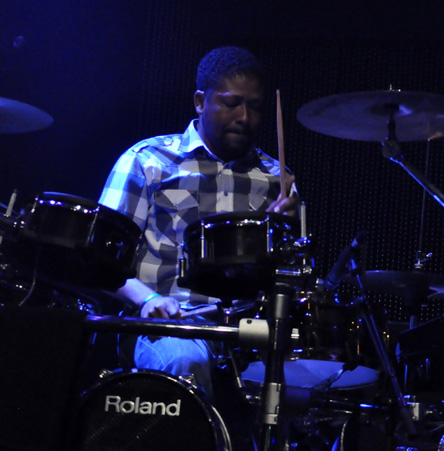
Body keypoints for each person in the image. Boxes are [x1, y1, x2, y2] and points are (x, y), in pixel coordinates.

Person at [99, 46, 298, 401]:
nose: (244, 117)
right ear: (200, 102)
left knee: (311, 382)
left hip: (248, 332)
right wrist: (147, 300)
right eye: (231, 103)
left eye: (255, 107)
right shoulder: (148, 161)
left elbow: (295, 279)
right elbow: (101, 258)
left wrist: (284, 237)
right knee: (184, 360)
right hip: (167, 326)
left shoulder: (276, 180)